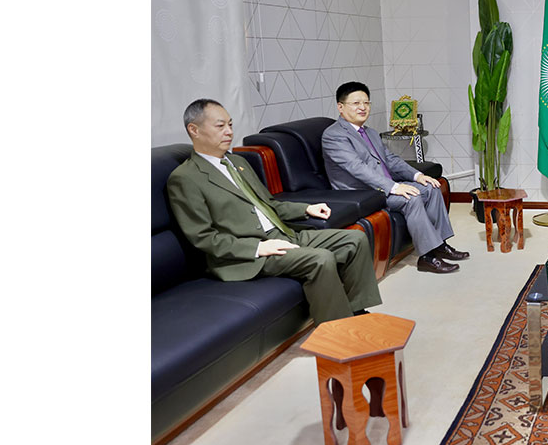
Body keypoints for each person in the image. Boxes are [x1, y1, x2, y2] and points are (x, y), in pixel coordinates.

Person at [167, 99, 380, 324]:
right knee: (321, 258)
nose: (229, 131)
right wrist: (259, 247)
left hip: (282, 233)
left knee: (355, 239)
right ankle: (337, 330)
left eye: (230, 124)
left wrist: (306, 208)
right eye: (220, 126)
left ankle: (356, 313)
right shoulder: (185, 178)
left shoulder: (237, 162)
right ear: (194, 130)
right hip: (246, 254)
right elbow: (204, 238)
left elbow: (269, 203)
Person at [321, 81, 468, 274]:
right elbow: (357, 168)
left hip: (385, 186)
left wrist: (417, 175)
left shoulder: (370, 133)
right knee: (411, 197)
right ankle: (427, 257)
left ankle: (439, 245)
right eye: (356, 103)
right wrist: (394, 187)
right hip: (363, 192)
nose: (363, 107)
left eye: (366, 103)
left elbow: (390, 159)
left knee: (431, 187)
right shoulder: (333, 136)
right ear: (341, 107)